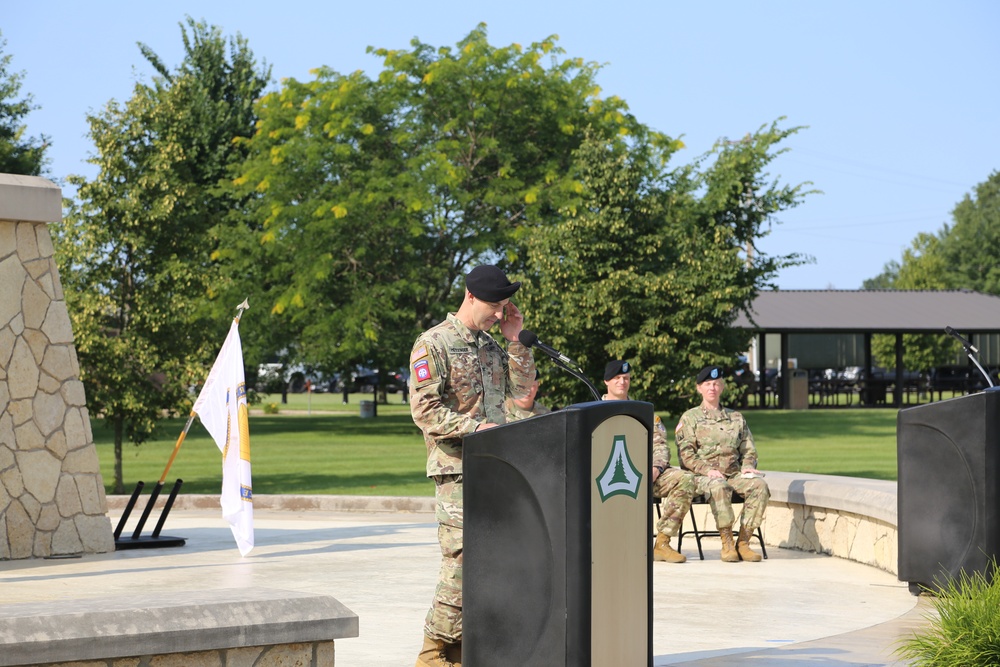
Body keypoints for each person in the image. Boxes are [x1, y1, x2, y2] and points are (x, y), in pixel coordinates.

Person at [408, 265, 536, 667]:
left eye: (504, 308)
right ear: (470, 297)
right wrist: (478, 428)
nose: (500, 314)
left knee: (494, 561)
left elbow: (522, 393)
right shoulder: (434, 345)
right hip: (457, 470)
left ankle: (466, 648)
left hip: (496, 469)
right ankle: (433, 652)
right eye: (495, 307)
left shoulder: (492, 346)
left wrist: (515, 341)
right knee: (462, 561)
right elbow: (425, 412)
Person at [602, 359, 695, 563]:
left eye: (626, 378)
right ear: (606, 382)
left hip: (644, 477)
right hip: (605, 480)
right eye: (617, 378)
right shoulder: (594, 413)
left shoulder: (644, 412)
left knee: (685, 479)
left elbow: (661, 446)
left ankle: (662, 543)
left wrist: (656, 467)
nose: (622, 382)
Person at [676, 365, 770, 563]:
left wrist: (748, 465)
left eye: (716, 384)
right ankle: (727, 542)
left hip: (734, 474)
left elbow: (748, 449)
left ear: (722, 387)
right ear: (699, 388)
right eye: (708, 384)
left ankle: (743, 541)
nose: (712, 387)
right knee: (719, 486)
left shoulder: (736, 418)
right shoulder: (690, 418)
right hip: (702, 477)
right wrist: (707, 470)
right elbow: (686, 455)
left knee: (759, 486)